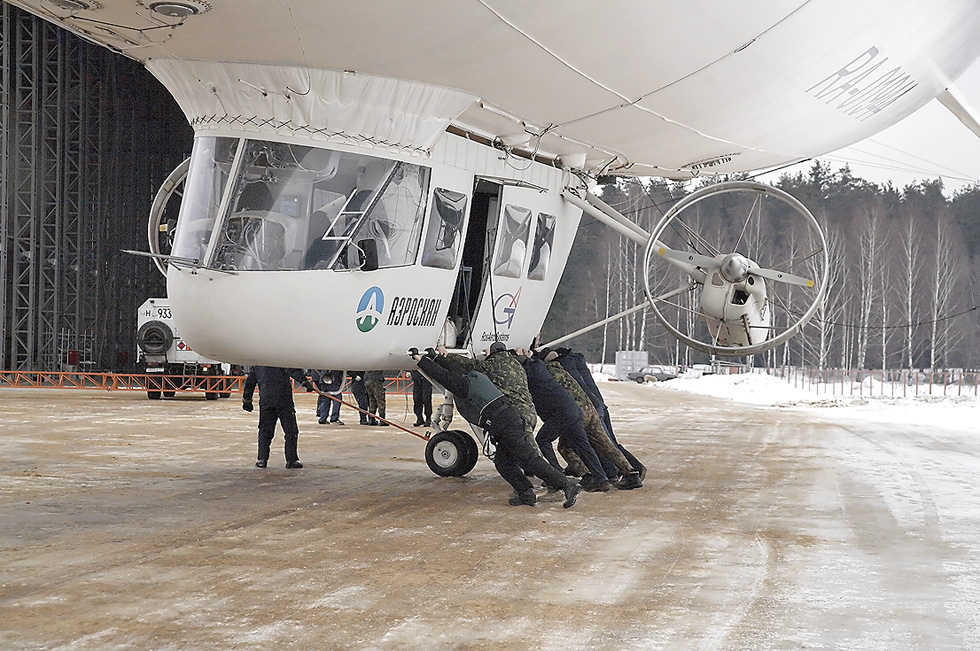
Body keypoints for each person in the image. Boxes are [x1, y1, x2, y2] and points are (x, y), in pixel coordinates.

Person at [412, 348, 580, 508]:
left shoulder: (464, 385)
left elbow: (444, 376)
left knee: (530, 460)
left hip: (505, 423)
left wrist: (421, 361)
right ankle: (526, 493)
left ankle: (567, 485)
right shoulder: (475, 376)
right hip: (507, 420)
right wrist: (435, 358)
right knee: (503, 462)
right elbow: (452, 369)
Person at [538, 349, 643, 490]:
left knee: (566, 448)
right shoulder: (564, 370)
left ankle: (589, 475)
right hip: (591, 409)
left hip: (576, 414)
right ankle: (631, 474)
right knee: (606, 445)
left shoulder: (547, 374)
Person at [515, 348, 614, 492]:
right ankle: (601, 479)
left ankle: (557, 476)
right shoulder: (539, 367)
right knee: (582, 445)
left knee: (542, 440)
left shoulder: (528, 374)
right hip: (573, 410)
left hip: (561, 414)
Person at [242, 366, 316, 469]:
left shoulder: (259, 364)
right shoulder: (280, 360)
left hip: (266, 400)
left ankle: (262, 459)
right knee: (291, 431)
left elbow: (250, 382)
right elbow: (293, 370)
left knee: (265, 431)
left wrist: (247, 399)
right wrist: (304, 382)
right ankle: (292, 460)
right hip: (284, 400)